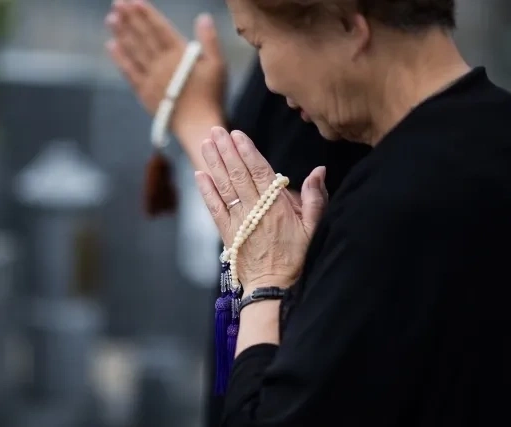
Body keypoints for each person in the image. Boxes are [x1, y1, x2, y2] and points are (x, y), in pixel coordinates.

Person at [193, 0, 511, 425]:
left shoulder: (391, 212)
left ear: (347, 26)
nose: (268, 82)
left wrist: (267, 284)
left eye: (259, 41)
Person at [104, 1, 370, 426]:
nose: (270, 76)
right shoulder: (301, 89)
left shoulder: (329, 120)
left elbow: (274, 226)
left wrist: (196, 121)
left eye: (258, 40)